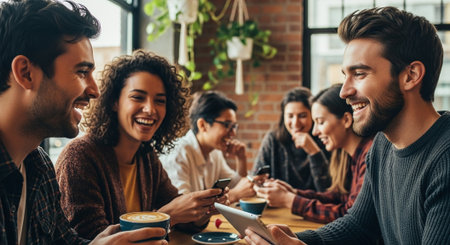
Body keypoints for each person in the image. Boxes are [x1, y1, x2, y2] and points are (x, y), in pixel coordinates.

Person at [245, 6, 450, 245]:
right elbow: (359, 226)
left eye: (360, 74)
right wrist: (293, 240)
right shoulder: (382, 146)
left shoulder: (444, 160)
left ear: (411, 75)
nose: (344, 91)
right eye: (345, 75)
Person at [0, 0, 168, 244]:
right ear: (26, 73)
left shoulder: (38, 166)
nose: (95, 90)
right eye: (81, 72)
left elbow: (65, 241)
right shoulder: (74, 157)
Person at [55, 50, 228, 240]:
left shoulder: (145, 156)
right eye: (138, 97)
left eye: (160, 101)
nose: (150, 109)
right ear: (114, 102)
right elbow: (95, 239)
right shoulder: (80, 156)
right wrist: (166, 216)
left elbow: (182, 217)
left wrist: (200, 212)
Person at [254, 84, 373, 223]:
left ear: (346, 120)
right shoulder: (357, 155)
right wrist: (294, 193)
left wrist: (290, 200)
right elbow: (342, 198)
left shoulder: (367, 156)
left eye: (321, 122)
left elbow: (349, 216)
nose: (315, 131)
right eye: (290, 116)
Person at [160, 91, 255, 203]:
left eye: (234, 126)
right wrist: (234, 195)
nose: (233, 133)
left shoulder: (214, 152)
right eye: (227, 125)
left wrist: (241, 159)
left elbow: (236, 185)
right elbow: (183, 206)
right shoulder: (177, 153)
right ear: (202, 125)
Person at [251, 87, 330, 191]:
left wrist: (314, 152)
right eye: (290, 116)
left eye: (302, 116)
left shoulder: (326, 139)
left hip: (312, 206)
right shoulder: (273, 140)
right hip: (276, 205)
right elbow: (255, 180)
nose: (295, 123)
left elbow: (326, 190)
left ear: (313, 115)